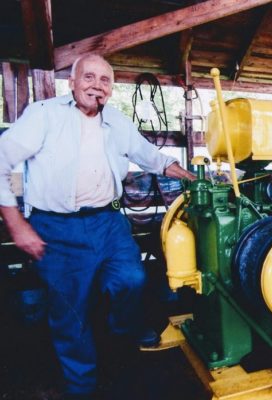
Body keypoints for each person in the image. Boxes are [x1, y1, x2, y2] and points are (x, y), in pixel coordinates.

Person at [0, 54, 196, 399]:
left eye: (105, 80)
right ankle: (82, 387)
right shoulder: (44, 115)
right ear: (72, 82)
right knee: (71, 314)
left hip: (108, 222)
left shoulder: (116, 121)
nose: (97, 86)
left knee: (132, 280)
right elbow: (3, 159)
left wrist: (186, 175)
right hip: (57, 228)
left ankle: (124, 329)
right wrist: (17, 224)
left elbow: (148, 154)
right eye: (88, 77)